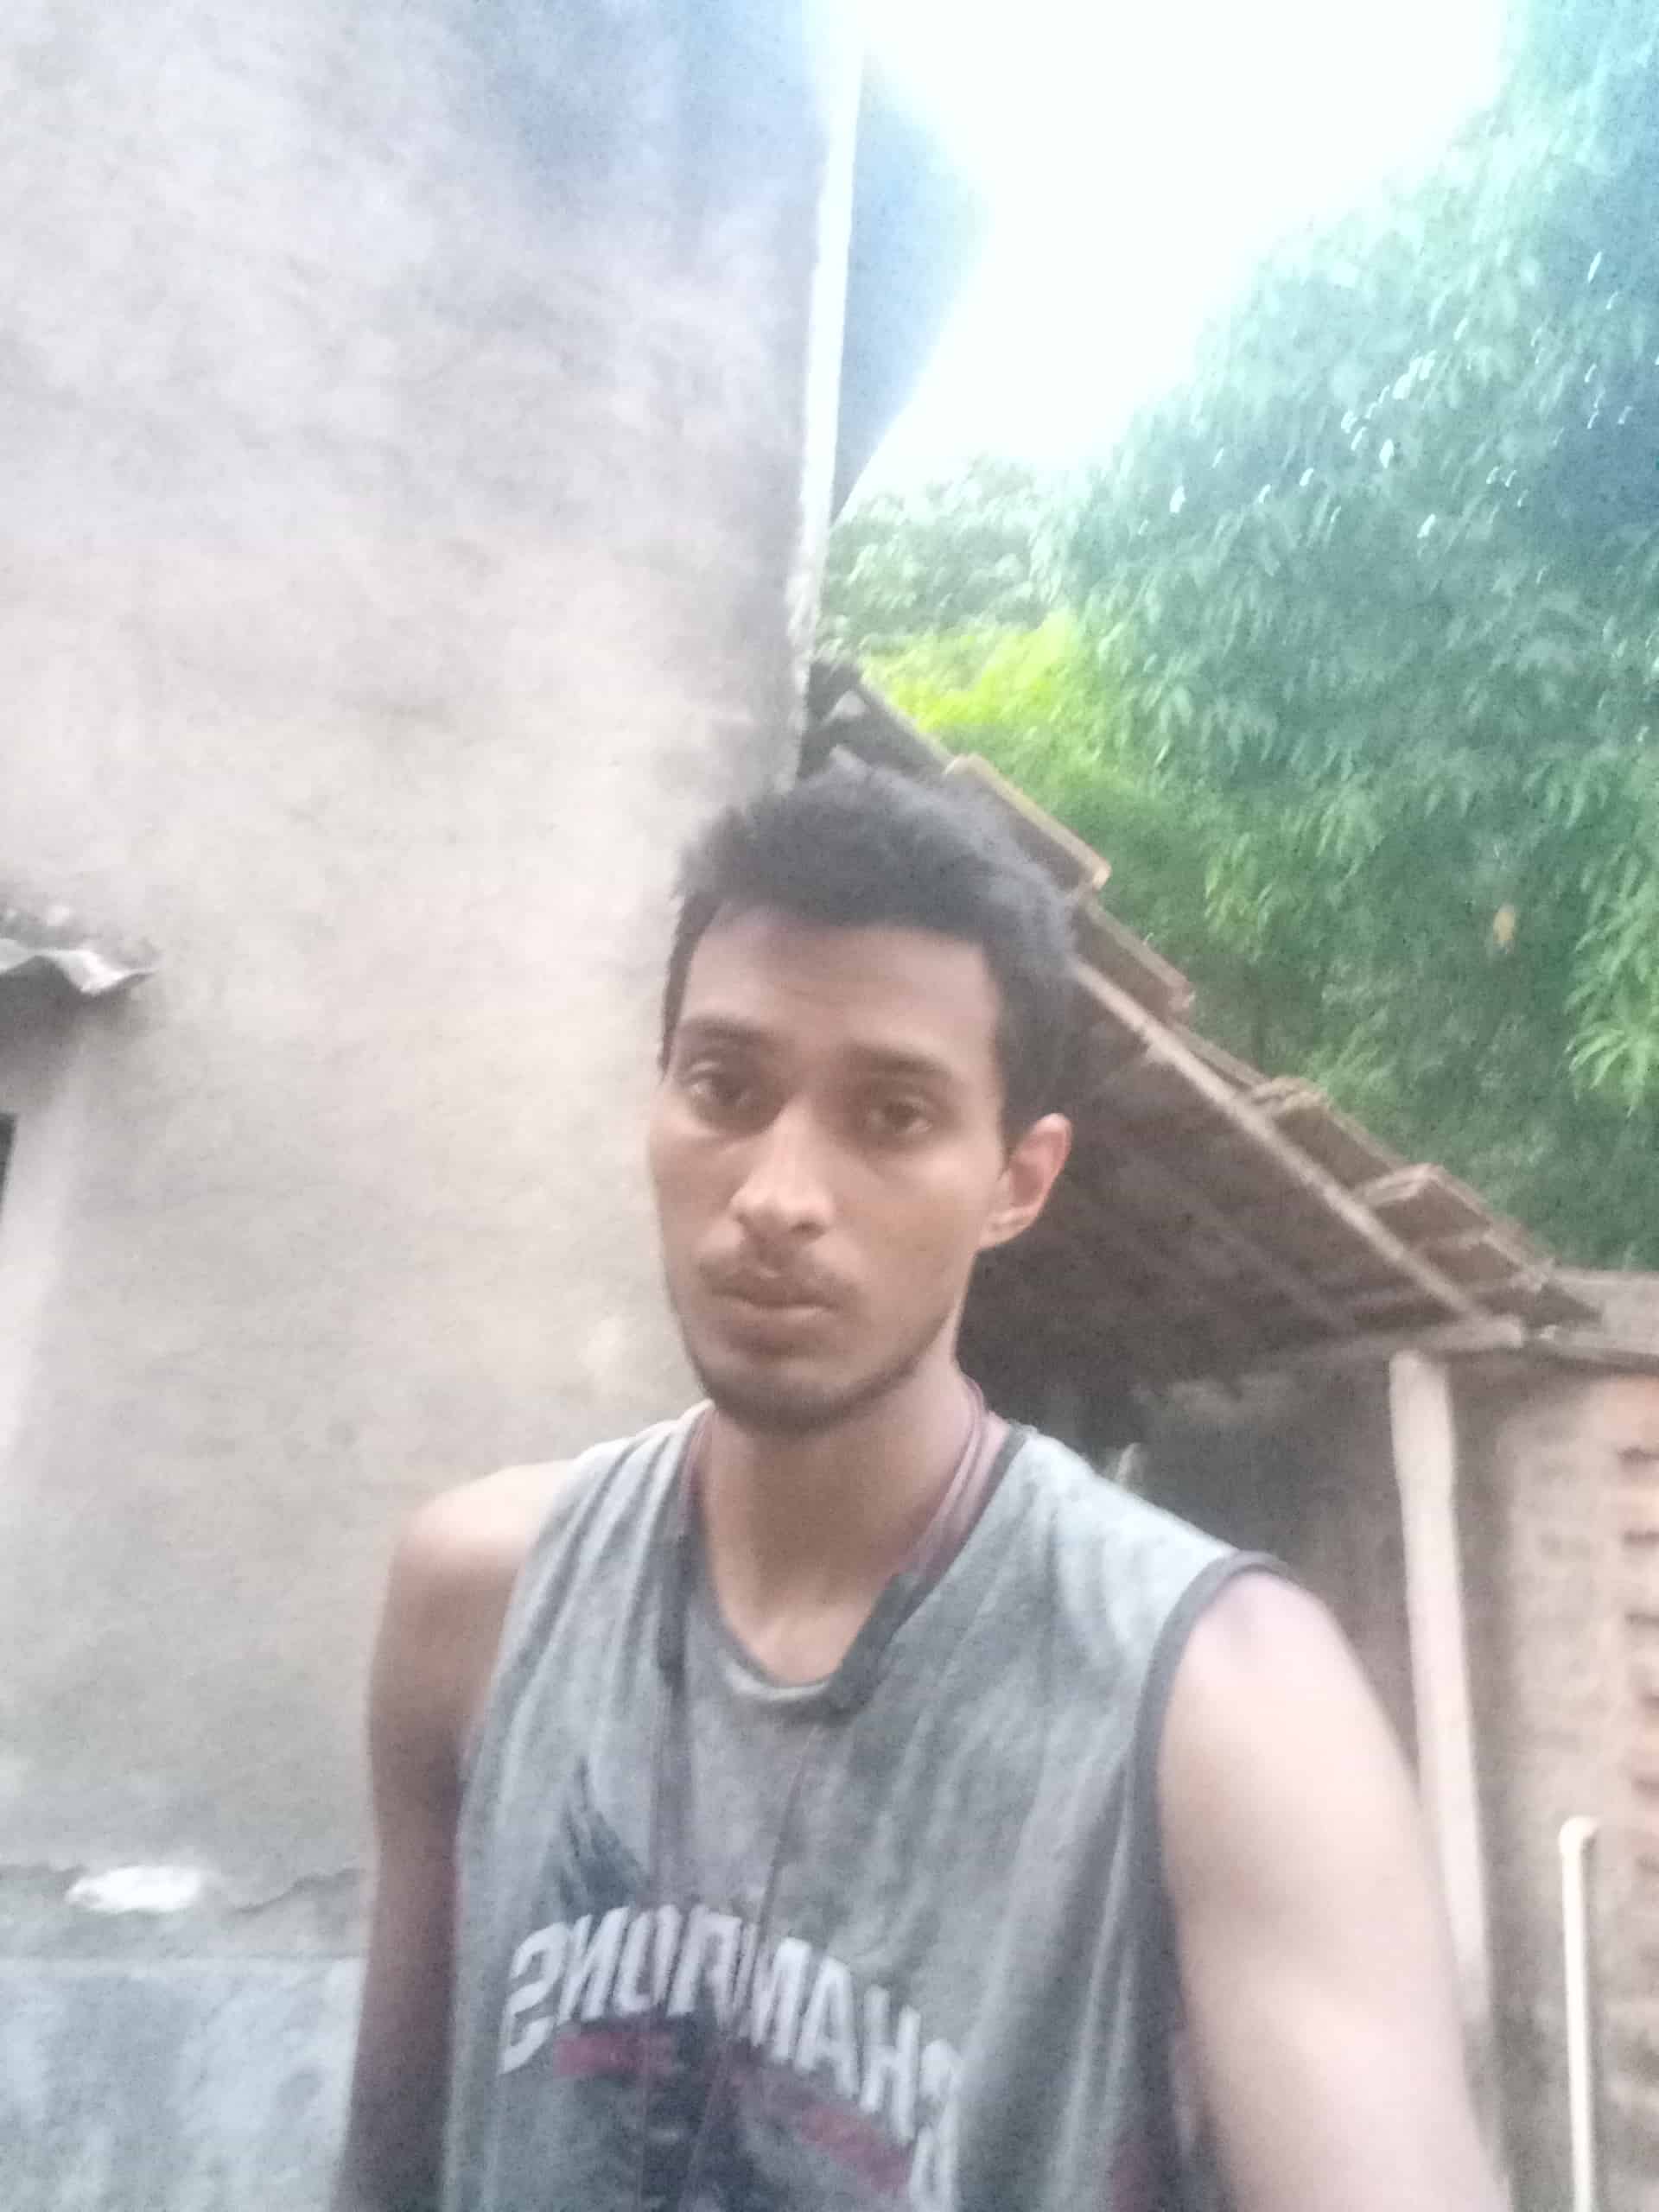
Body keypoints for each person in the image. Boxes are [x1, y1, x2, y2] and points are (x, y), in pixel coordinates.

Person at [335, 762, 1501, 2212]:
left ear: (1017, 1180)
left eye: (891, 1115)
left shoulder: (1226, 1712)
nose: (777, 1195)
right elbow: (391, 2163)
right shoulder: (479, 1606)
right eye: (724, 1088)